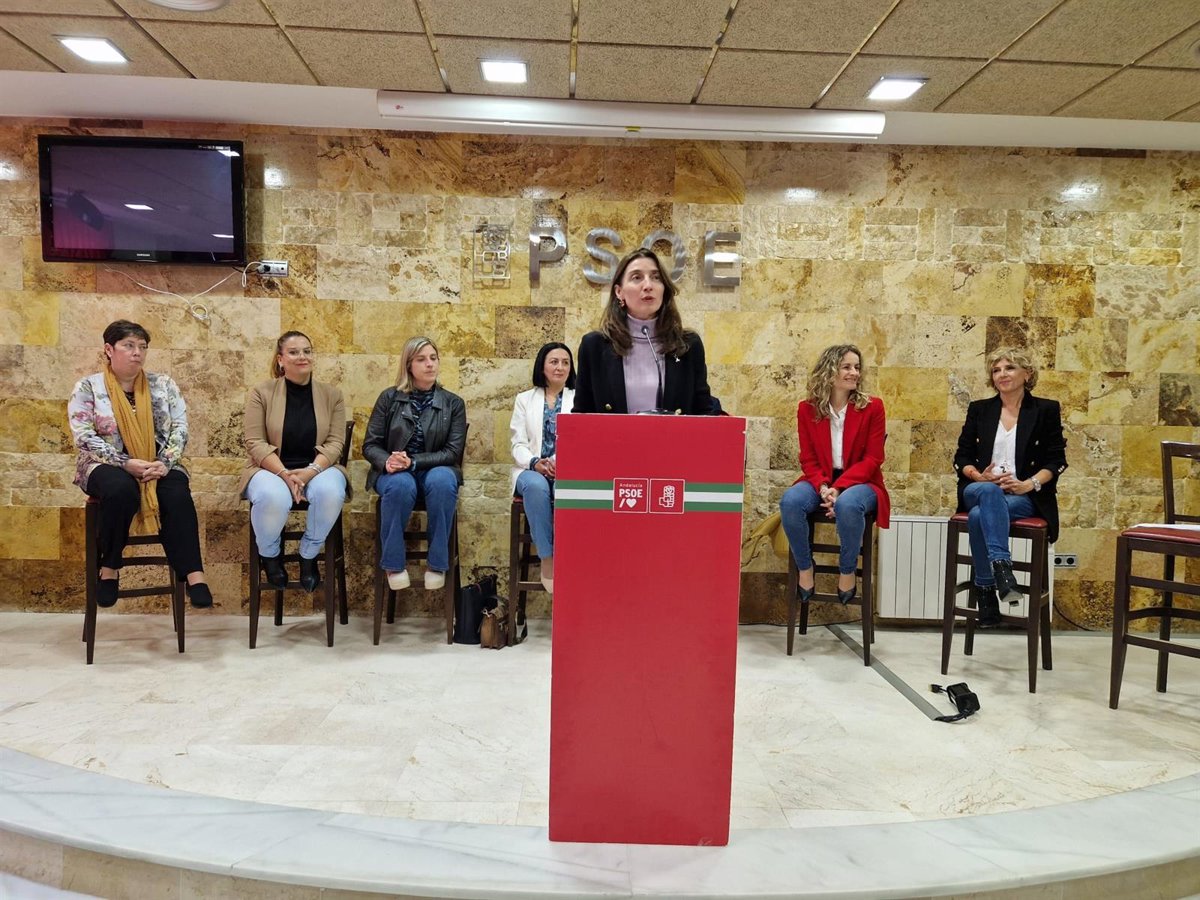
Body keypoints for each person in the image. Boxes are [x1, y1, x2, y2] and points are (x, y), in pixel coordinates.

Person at [67, 320, 212, 609]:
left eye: (142, 347)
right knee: (120, 490)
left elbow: (180, 427)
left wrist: (165, 462)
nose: (137, 353)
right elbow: (83, 436)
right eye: (129, 346)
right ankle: (109, 568)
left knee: (177, 492)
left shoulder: (164, 385)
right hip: (104, 464)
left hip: (157, 463)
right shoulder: (88, 387)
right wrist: (124, 463)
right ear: (109, 349)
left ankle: (194, 575)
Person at [953, 347, 1067, 627]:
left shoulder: (1045, 410)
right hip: (979, 488)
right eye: (996, 370)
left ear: (1027, 374)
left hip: (1021, 495)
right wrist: (978, 476)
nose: (1002, 374)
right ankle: (1003, 570)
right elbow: (961, 457)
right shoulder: (980, 409)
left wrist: (1028, 484)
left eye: (1010, 368)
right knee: (989, 493)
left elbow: (1056, 460)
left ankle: (985, 591)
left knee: (979, 516)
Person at [779, 344, 890, 605]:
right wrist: (823, 487)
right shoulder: (807, 409)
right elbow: (808, 458)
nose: (854, 373)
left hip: (862, 481)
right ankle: (805, 567)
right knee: (790, 501)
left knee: (848, 505)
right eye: (846, 367)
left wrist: (838, 489)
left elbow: (873, 459)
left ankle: (847, 569)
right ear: (829, 372)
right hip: (821, 479)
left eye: (857, 367)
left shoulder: (873, 407)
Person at [239, 331, 349, 593]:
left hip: (318, 469)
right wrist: (285, 475)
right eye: (294, 352)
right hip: (270, 469)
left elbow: (335, 443)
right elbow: (254, 442)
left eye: (307, 351)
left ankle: (308, 555)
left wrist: (310, 472)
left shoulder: (332, 395)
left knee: (332, 491)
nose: (302, 356)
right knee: (272, 497)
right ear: (280, 359)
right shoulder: (261, 392)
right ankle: (270, 556)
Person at [363, 336, 467, 591]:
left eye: (433, 358)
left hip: (435, 469)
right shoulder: (389, 398)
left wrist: (413, 462)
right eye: (421, 359)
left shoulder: (453, 403)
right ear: (408, 365)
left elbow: (452, 452)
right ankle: (393, 565)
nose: (430, 364)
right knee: (400, 485)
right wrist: (387, 460)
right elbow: (370, 445)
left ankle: (437, 564)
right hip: (395, 473)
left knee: (443, 481)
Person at [573, 247, 716, 415]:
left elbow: (704, 412)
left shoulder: (689, 344)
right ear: (619, 292)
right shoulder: (594, 346)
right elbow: (581, 415)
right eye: (637, 277)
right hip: (613, 434)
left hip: (673, 434)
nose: (648, 285)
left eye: (656, 277)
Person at [510, 342, 576, 593]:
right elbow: (517, 443)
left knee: (566, 489)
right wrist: (535, 463)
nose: (560, 367)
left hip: (566, 469)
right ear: (542, 366)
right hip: (529, 470)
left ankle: (569, 556)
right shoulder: (525, 399)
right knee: (536, 487)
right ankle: (547, 558)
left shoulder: (579, 399)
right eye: (554, 362)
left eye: (565, 362)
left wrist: (558, 461)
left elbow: (580, 439)